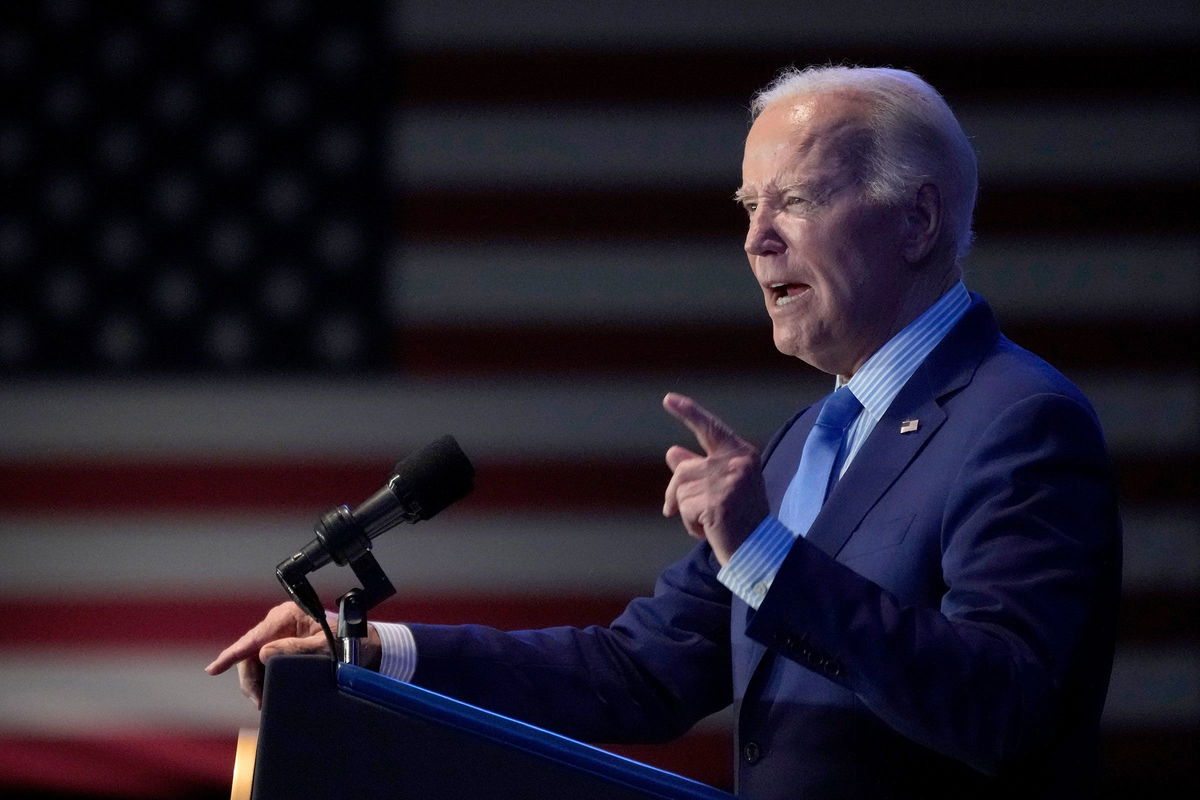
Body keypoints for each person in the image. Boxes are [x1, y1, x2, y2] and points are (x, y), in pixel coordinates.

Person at [208, 65, 1121, 799]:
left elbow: (1007, 709)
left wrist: (764, 553)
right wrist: (376, 653)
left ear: (917, 220)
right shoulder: (816, 438)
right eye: (747, 208)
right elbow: (638, 669)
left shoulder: (1019, 421)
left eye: (795, 201)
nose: (757, 240)